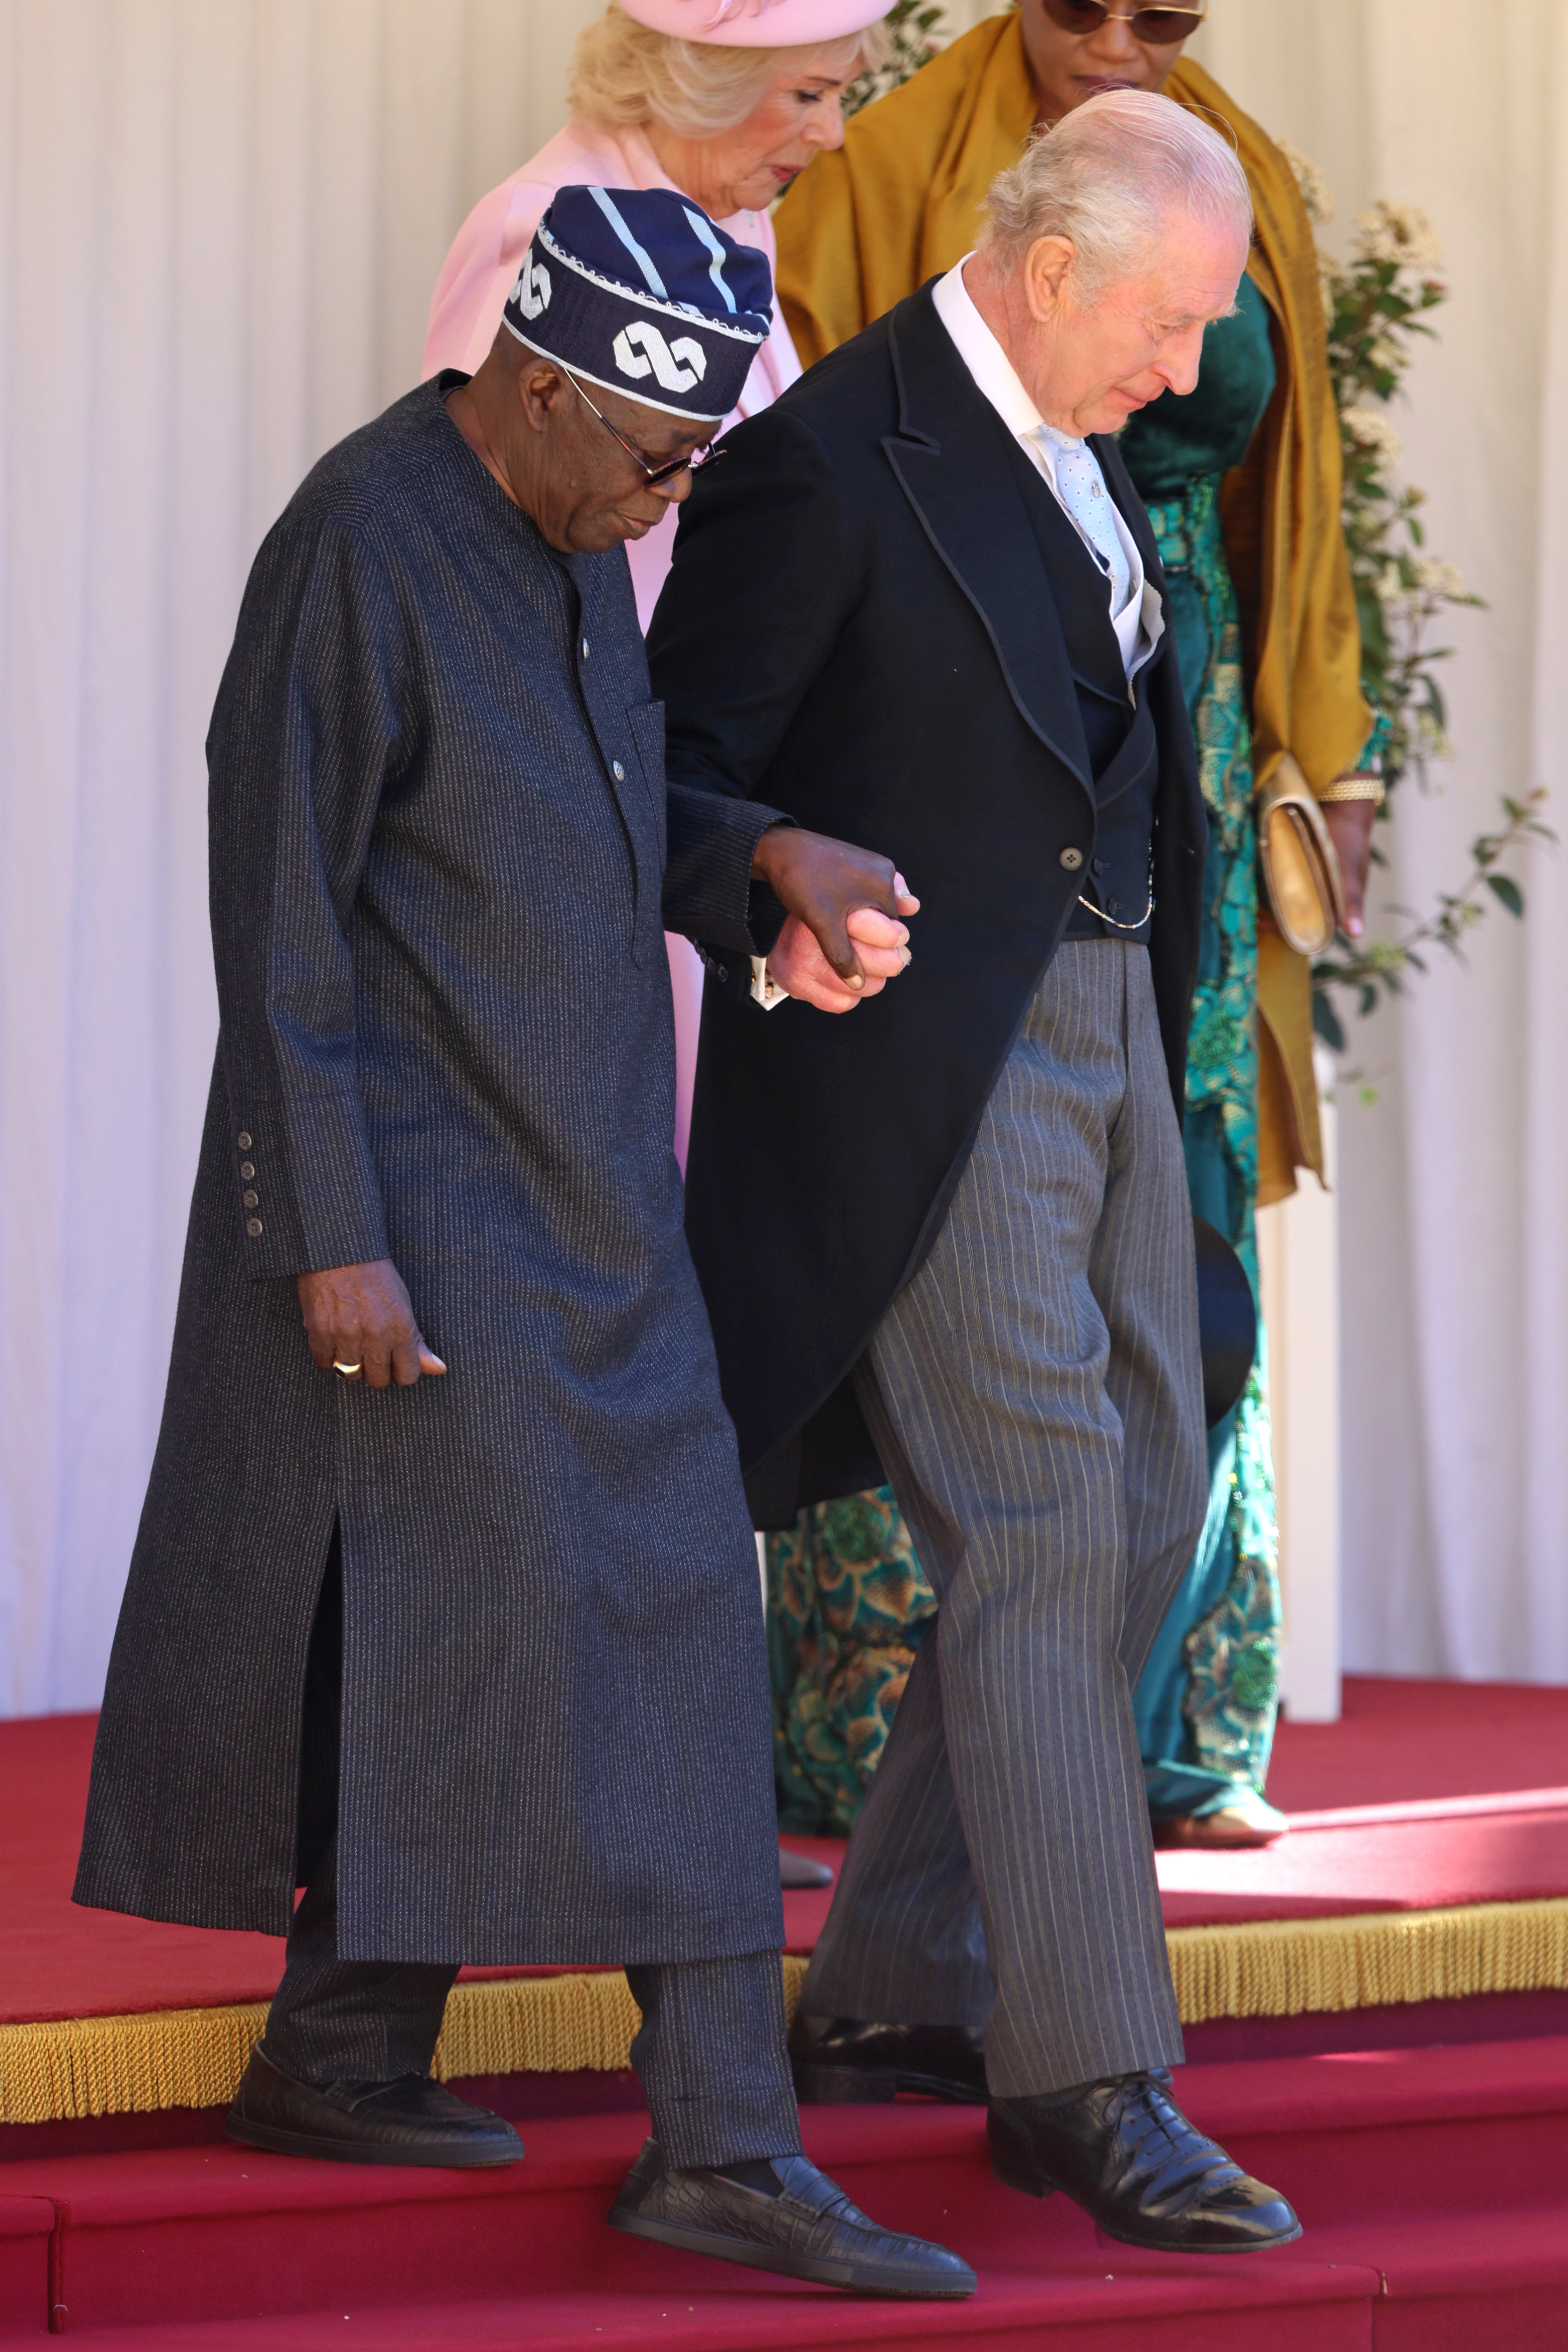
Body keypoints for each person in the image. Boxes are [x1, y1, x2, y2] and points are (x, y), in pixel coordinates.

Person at [72, 184, 971, 2303]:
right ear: (546, 383)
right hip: (421, 1198)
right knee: (634, 1606)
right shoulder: (363, 539)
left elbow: (607, 808)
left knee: (477, 1628)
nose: (670, 500)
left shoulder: (575, 545)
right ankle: (725, 2144)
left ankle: (341, 2041)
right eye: (657, 454)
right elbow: (279, 906)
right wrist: (331, 1239)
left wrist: (763, 855)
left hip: (588, 1190)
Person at [651, 91, 1300, 2252]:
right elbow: (666, 766)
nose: (1189, 367)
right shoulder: (819, 458)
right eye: (1172, 318)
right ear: (1048, 268)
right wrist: (766, 874)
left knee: (1143, 1491)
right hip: (922, 1066)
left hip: (1111, 1025)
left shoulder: (1078, 432)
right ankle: (1085, 2071)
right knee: (1035, 1511)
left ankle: (898, 1979)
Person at [768, 0, 1380, 1848]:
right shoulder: (891, 166)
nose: (1121, 39)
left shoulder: (1228, 171)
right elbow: (813, 478)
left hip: (1180, 731)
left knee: (1172, 1182)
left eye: (1167, 12)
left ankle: (1176, 1708)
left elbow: (1304, 485)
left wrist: (1326, 755)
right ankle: (890, 1729)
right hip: (966, 726)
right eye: (1082, 4)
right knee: (964, 1165)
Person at [425, 0, 889, 1177]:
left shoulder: (719, 217)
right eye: (807, 94)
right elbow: (495, 599)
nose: (834, 134)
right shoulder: (548, 233)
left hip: (684, 807)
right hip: (584, 840)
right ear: (694, 79)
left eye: (840, 91)